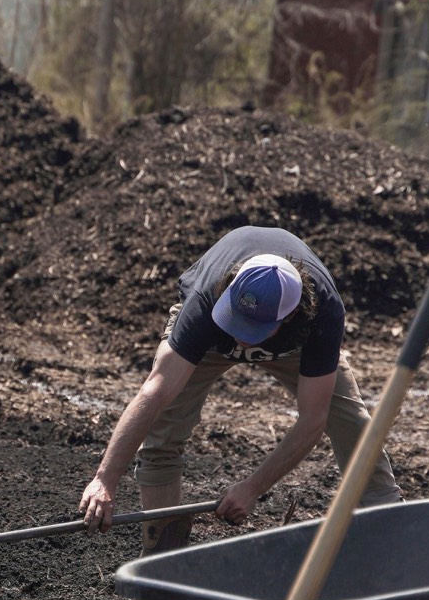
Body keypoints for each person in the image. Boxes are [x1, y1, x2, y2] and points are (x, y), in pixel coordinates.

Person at [79, 225, 402, 552]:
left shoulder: (321, 313)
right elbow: (155, 392)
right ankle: (162, 549)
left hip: (294, 346)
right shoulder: (207, 300)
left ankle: (387, 520)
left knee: (349, 419)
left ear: (289, 317)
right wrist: (105, 479)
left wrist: (252, 488)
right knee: (164, 429)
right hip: (210, 338)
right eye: (238, 321)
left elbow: (313, 419)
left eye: (253, 329)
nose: (241, 338)